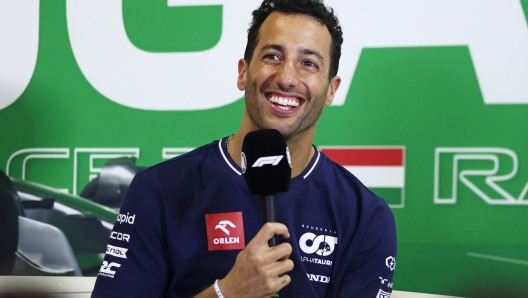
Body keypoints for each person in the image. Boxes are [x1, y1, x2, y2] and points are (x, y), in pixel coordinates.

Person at [91, 0, 397, 297]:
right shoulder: (159, 190)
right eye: (273, 56)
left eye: (308, 64)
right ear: (243, 72)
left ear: (331, 89)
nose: (287, 77)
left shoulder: (365, 215)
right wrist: (226, 293)